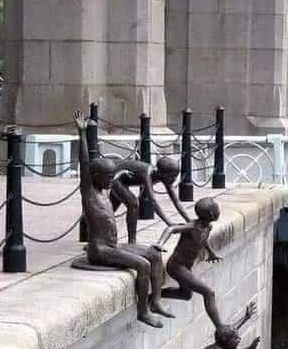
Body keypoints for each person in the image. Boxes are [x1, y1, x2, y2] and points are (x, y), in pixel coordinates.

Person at [73, 110, 173, 328]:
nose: (111, 181)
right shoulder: (89, 193)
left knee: (154, 255)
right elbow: (84, 163)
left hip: (113, 246)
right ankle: (143, 311)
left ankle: (156, 301)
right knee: (143, 265)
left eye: (112, 177)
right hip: (100, 251)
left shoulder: (104, 192)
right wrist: (82, 134)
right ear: (95, 177)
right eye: (107, 177)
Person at [154, 197, 224, 328]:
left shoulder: (208, 227)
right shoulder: (192, 227)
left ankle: (154, 296)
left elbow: (203, 240)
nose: (219, 211)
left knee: (185, 295)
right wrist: (160, 244)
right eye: (217, 209)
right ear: (211, 214)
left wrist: (211, 253)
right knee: (208, 293)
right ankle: (220, 327)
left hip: (186, 267)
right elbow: (171, 229)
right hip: (176, 266)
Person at [108, 156, 191, 244]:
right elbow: (153, 201)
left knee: (109, 210)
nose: (174, 179)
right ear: (161, 173)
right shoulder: (147, 173)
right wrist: (169, 223)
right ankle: (132, 241)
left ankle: (100, 233)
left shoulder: (165, 178)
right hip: (116, 176)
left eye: (175, 176)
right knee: (133, 204)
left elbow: (176, 200)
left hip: (122, 181)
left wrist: (189, 220)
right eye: (171, 176)